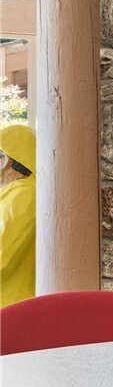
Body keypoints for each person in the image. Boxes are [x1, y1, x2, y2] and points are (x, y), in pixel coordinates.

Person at [0, 123, 36, 307]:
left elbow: (2, 256)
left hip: (9, 304)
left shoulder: (21, 196)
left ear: (5, 161)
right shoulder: (14, 194)